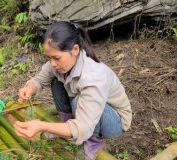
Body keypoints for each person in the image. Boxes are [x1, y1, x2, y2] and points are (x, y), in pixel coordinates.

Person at [14, 21, 132, 160]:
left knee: (78, 101)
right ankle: (66, 126)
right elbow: (40, 79)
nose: (52, 63)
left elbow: (83, 127)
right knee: (56, 80)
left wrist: (41, 126)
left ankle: (93, 143)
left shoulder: (94, 77)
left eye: (56, 58)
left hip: (113, 121)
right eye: (49, 57)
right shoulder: (60, 63)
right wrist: (30, 88)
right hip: (87, 109)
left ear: (75, 49)